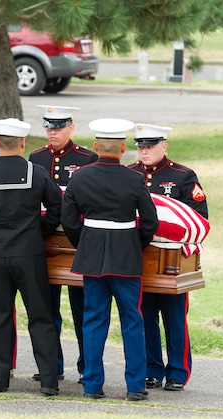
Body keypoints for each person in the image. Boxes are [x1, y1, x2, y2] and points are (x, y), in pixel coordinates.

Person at [0, 118, 63, 396]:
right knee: (41, 317)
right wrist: (40, 230)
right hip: (30, 255)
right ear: (22, 142)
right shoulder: (37, 172)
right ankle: (48, 380)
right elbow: (57, 206)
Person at [61, 118, 158, 401]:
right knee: (132, 321)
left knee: (93, 321)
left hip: (92, 256)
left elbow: (69, 220)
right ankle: (136, 386)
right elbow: (149, 222)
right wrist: (133, 243)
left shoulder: (79, 177)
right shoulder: (134, 178)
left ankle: (92, 385)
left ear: (95, 147)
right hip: (126, 257)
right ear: (123, 148)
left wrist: (86, 242)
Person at [128, 123, 208, 392]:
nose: (144, 151)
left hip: (171, 264)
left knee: (174, 319)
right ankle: (151, 369)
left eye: (150, 146)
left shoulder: (183, 176)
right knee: (145, 316)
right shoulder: (129, 174)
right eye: (140, 146)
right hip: (141, 259)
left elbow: (199, 219)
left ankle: (177, 371)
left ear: (164, 146)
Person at [29, 105, 98, 384]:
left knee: (82, 310)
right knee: (46, 309)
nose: (52, 132)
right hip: (45, 241)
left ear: (71, 127)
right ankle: (51, 365)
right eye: (49, 127)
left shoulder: (87, 157)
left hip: (77, 242)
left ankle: (87, 365)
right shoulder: (35, 158)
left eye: (58, 127)